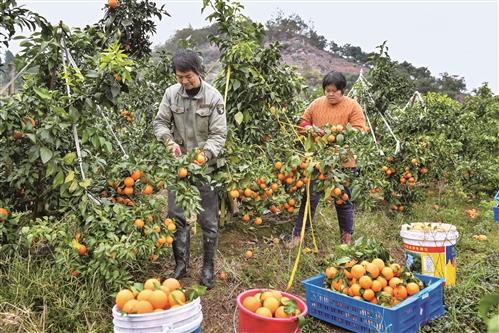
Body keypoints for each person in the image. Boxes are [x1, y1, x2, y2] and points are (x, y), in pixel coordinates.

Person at [153, 49, 227, 289]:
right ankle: (180, 264)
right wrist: (169, 142)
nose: (184, 82)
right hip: (180, 167)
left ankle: (208, 267)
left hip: (206, 168)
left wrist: (204, 155)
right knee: (175, 216)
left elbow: (218, 134)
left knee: (208, 220)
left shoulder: (214, 98)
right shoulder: (171, 94)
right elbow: (160, 122)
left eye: (189, 77)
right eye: (179, 77)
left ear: (198, 72)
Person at [288, 71, 366, 247]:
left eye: (334, 91)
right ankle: (298, 235)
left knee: (343, 200)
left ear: (342, 91)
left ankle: (346, 238)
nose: (330, 94)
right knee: (310, 198)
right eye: (327, 90)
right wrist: (310, 129)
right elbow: (302, 122)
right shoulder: (317, 104)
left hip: (344, 163)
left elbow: (360, 130)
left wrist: (338, 133)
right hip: (318, 162)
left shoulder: (352, 106)